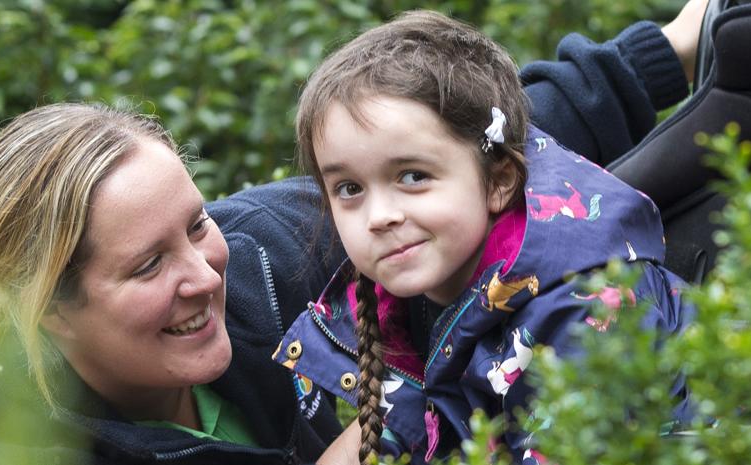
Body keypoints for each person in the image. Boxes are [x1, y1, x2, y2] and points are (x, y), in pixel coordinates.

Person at [0, 2, 706, 464]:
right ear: (50, 309)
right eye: (148, 264)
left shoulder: (257, 252)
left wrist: (669, 46)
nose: (204, 275)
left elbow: (445, 152)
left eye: (195, 224)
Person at [274, 9, 697, 465]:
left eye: (413, 176)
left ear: (499, 181)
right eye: (349, 189)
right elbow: (406, 425)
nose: (379, 217)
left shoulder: (584, 310)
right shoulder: (410, 293)